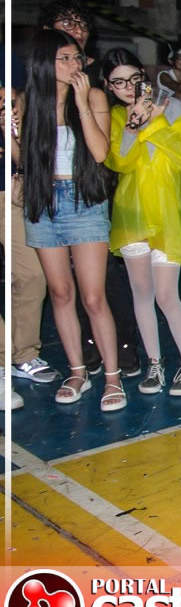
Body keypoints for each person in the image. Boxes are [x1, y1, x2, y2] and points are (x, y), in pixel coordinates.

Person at [22, 29, 125, 411]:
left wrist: (81, 103)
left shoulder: (93, 96)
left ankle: (112, 377)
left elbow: (99, 153)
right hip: (43, 200)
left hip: (84, 200)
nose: (73, 65)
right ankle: (78, 372)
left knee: (93, 297)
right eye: (63, 58)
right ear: (44, 63)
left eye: (76, 57)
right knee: (60, 293)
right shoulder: (30, 101)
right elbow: (25, 159)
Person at [101, 48, 181, 396]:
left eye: (133, 78)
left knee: (167, 295)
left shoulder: (171, 107)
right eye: (118, 82)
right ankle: (154, 364)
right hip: (131, 215)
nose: (128, 87)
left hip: (166, 214)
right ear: (109, 86)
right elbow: (119, 161)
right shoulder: (115, 116)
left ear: (143, 76)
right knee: (141, 293)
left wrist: (153, 121)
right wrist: (133, 124)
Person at [3, 82, 61, 395]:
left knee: (33, 275)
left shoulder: (11, 87)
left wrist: (12, 129)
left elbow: (27, 157)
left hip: (10, 193)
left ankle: (22, 354)